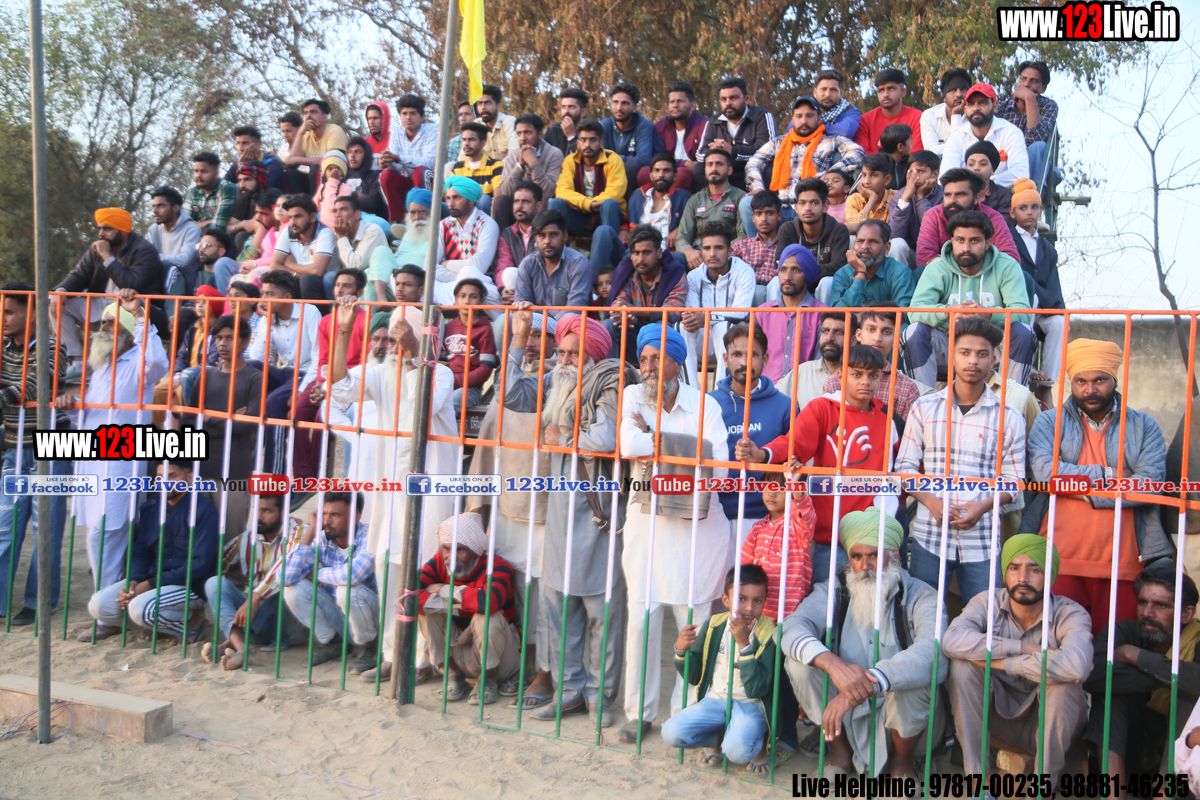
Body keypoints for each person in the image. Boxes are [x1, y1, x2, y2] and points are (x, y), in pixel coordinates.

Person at [502, 311, 629, 725]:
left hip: (597, 511)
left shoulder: (609, 381)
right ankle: (569, 692)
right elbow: (510, 394)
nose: (565, 360)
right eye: (561, 352)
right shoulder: (556, 383)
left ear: (592, 356)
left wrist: (564, 438)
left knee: (601, 612)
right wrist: (520, 336)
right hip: (560, 510)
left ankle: (599, 698)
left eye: (574, 353)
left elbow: (604, 438)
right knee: (559, 607)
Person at [330, 304, 457, 682]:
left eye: (400, 336)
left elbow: (423, 408)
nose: (391, 345)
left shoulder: (441, 373)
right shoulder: (382, 372)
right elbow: (340, 388)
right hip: (392, 493)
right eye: (389, 338)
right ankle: (391, 654)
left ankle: (421, 660)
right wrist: (343, 333)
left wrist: (416, 352)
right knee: (389, 569)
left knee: (424, 573)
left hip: (430, 492)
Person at [618, 323, 732, 744]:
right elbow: (628, 445)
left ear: (677, 363)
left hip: (696, 532)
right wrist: (685, 449)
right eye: (644, 359)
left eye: (657, 359)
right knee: (641, 622)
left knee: (693, 625)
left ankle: (683, 714)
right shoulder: (633, 395)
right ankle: (639, 713)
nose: (648, 367)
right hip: (646, 528)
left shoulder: (705, 404)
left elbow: (719, 468)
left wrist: (655, 440)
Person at [1021, 338, 1172, 634]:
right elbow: (1045, 475)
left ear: (1114, 379)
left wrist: (1083, 492)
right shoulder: (1049, 422)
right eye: (1081, 381)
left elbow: (1150, 485)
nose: (1090, 389)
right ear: (1072, 382)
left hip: (1123, 562)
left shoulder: (1144, 426)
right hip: (1056, 558)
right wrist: (1109, 474)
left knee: (1112, 650)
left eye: (1100, 380)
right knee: (1054, 644)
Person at [783, 510, 945, 780]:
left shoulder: (921, 595)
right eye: (856, 556)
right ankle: (840, 753)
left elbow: (933, 653)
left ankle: (902, 763)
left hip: (902, 716)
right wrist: (832, 664)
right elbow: (791, 627)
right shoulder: (834, 589)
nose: (865, 565)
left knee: (915, 680)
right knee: (799, 664)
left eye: (874, 555)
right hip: (847, 715)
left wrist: (869, 682)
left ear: (894, 554)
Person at [737, 345, 899, 584]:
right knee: (826, 597)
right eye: (857, 374)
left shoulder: (888, 423)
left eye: (873, 375)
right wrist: (761, 454)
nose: (865, 381)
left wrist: (886, 527)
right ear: (841, 376)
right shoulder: (822, 408)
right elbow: (795, 443)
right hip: (829, 536)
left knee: (869, 601)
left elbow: (892, 479)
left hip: (869, 535)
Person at [943, 535, 1092, 786]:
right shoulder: (986, 602)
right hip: (998, 722)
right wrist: (1022, 647)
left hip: (1051, 725)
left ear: (1050, 575)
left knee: (1063, 684)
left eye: (1034, 569)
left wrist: (1007, 664)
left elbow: (1077, 666)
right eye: (1014, 568)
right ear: (1005, 572)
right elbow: (952, 640)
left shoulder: (1071, 613)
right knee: (962, 668)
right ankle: (979, 780)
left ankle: (1043, 786)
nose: (1022, 578)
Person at [55, 293, 168, 621]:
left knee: (107, 532)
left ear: (129, 332)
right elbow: (97, 416)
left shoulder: (139, 364)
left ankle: (106, 613)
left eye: (110, 322)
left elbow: (158, 362)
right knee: (100, 534)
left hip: (119, 464)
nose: (102, 327)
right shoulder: (103, 364)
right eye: (103, 322)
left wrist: (140, 315)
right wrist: (73, 408)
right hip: (93, 462)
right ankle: (106, 607)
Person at [897, 317, 1026, 603]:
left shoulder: (1009, 416)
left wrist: (982, 506)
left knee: (984, 619)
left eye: (982, 354)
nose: (973, 361)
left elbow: (1015, 480)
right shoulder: (924, 407)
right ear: (952, 356)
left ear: (994, 359)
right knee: (924, 616)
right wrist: (932, 502)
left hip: (982, 541)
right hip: (929, 537)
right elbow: (904, 468)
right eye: (965, 352)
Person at [463, 311, 557, 699]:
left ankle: (544, 670)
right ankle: (511, 664)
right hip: (506, 509)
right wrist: (478, 506)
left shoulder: (560, 384)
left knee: (545, 597)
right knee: (511, 591)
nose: (530, 342)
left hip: (548, 511)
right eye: (524, 336)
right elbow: (488, 452)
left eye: (537, 335)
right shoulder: (508, 388)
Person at [84, 460, 220, 644]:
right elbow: (141, 551)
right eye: (160, 477)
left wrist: (148, 585)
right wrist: (134, 581)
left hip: (188, 585)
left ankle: (192, 620)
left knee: (140, 609)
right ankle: (161, 625)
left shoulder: (204, 510)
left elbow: (199, 565)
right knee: (99, 606)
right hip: (150, 580)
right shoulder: (152, 507)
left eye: (172, 476)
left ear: (189, 478)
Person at [662, 565, 781, 772]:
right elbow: (694, 676)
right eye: (741, 599)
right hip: (715, 700)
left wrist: (744, 646)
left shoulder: (769, 634)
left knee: (737, 752)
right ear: (725, 600)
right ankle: (716, 738)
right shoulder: (714, 626)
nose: (749, 608)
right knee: (671, 733)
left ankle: (760, 748)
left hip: (750, 705)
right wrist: (681, 651)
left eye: (757, 601)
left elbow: (757, 689)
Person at [1085, 566, 1199, 781]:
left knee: (1187, 697)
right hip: (1130, 752)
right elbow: (1091, 673)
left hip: (1183, 767)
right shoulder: (1123, 632)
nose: (1147, 613)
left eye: (1161, 605)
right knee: (1111, 690)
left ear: (1186, 613)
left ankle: (1165, 793)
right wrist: (1167, 679)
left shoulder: (1197, 641)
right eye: (1143, 602)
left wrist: (1134, 655)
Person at [0, 284, 69, 626]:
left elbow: (35, 383)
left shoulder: (53, 346)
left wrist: (4, 395)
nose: (3, 318)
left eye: (9, 311)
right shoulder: (3, 348)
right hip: (14, 446)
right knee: (4, 528)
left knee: (46, 530)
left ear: (31, 313)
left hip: (52, 447)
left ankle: (38, 601)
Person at [904, 210, 1034, 386]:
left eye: (974, 241)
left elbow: (1023, 312)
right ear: (952, 241)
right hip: (948, 347)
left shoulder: (1007, 266)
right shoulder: (937, 267)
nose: (966, 248)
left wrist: (989, 315)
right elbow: (915, 310)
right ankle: (923, 398)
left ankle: (1011, 399)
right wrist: (948, 312)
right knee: (914, 331)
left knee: (1023, 331)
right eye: (960, 240)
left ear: (987, 243)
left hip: (992, 348)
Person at [418, 511, 522, 704]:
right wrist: (461, 601)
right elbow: (409, 595)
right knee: (426, 611)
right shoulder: (439, 562)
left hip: (500, 660)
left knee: (486, 615)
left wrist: (445, 591)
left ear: (476, 551)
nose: (451, 558)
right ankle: (452, 674)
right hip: (459, 653)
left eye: (461, 550)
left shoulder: (497, 566)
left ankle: (489, 678)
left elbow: (488, 603)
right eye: (447, 549)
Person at [203, 493, 307, 670]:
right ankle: (242, 647)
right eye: (256, 510)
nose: (258, 517)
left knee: (286, 586)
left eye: (266, 511)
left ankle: (231, 642)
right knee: (214, 583)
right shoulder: (247, 539)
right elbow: (217, 564)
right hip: (256, 624)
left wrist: (256, 596)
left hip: (289, 625)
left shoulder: (300, 531)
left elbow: (288, 566)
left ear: (283, 513)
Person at [710, 323, 793, 541]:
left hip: (769, 517)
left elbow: (796, 459)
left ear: (765, 359)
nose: (744, 362)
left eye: (753, 355)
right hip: (715, 514)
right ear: (725, 359)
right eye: (737, 354)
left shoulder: (785, 406)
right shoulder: (708, 404)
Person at [743, 95, 864, 238]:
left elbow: (857, 152)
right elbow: (753, 162)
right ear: (793, 119)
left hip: (810, 208)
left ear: (819, 119)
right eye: (799, 116)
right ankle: (757, 245)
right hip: (779, 207)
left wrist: (830, 175)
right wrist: (758, 188)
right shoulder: (778, 142)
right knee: (747, 203)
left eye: (810, 116)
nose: (804, 121)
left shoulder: (831, 140)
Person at [283, 491, 378, 669]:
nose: (326, 521)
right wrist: (310, 532)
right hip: (342, 615)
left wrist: (317, 574)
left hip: (372, 618)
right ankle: (334, 643)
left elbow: (352, 575)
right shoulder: (322, 538)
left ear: (355, 516)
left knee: (346, 590)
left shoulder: (370, 536)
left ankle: (371, 647)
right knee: (294, 589)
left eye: (335, 515)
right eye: (324, 514)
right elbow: (286, 578)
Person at [52, 208, 164, 358]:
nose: (101, 234)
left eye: (107, 229)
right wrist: (62, 289)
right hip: (100, 304)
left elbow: (133, 285)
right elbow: (79, 274)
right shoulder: (97, 248)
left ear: (123, 231)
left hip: (130, 307)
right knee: (55, 302)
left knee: (122, 308)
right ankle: (76, 359)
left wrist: (107, 256)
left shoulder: (144, 250)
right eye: (100, 228)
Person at [290, 268, 368, 480]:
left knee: (321, 420)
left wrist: (329, 387)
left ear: (359, 292)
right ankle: (303, 477)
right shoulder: (326, 320)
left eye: (347, 286)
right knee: (295, 414)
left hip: (351, 382)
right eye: (337, 285)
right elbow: (323, 358)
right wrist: (321, 384)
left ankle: (317, 476)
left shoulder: (366, 319)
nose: (340, 290)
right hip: (326, 379)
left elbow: (363, 364)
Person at [246, 270, 321, 473]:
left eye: (270, 294)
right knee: (249, 367)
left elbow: (319, 358)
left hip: (306, 374)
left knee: (275, 401)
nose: (264, 299)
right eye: (263, 293)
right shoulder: (268, 317)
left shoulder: (309, 312)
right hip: (285, 373)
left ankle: (275, 472)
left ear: (287, 297)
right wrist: (268, 323)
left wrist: (301, 390)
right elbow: (257, 357)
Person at [679, 221, 754, 385]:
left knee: (723, 326)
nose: (712, 253)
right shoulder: (693, 276)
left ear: (730, 251)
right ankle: (691, 391)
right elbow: (693, 315)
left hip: (732, 343)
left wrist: (706, 317)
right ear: (701, 252)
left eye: (718, 248)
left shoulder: (744, 272)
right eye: (707, 248)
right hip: (703, 342)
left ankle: (721, 390)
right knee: (683, 327)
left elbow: (741, 312)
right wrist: (692, 318)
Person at [548, 119, 626, 276]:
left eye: (592, 140)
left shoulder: (613, 159)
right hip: (580, 216)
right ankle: (555, 260)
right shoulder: (570, 161)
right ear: (577, 143)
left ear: (601, 142)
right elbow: (562, 190)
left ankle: (599, 272)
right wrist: (588, 204)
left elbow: (616, 192)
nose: (587, 144)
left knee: (610, 204)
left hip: (604, 217)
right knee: (555, 203)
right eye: (583, 140)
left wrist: (586, 203)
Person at [823, 307, 924, 422]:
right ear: (858, 334)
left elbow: (906, 432)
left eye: (886, 332)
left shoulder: (906, 388)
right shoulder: (834, 382)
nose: (877, 338)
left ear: (896, 338)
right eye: (871, 329)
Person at [1009, 178, 1065, 386]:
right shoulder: (1008, 240)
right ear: (1013, 212)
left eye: (1034, 207)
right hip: (1017, 306)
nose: (1029, 212)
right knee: (1029, 298)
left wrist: (1050, 306)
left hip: (1042, 308)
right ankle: (1026, 368)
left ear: (1041, 211)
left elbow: (1054, 285)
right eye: (1023, 208)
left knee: (1059, 322)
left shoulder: (1048, 249)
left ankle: (1046, 382)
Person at [606, 224, 689, 361]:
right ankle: (612, 372)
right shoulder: (626, 271)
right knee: (610, 324)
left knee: (660, 326)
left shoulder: (675, 273)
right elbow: (618, 302)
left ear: (659, 253)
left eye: (646, 252)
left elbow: (672, 311)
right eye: (636, 253)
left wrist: (636, 311)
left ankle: (657, 371)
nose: (640, 259)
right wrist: (623, 313)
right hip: (633, 334)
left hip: (663, 339)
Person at [915, 168, 1019, 268]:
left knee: (1024, 276)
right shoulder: (933, 215)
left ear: (977, 198)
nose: (952, 200)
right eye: (947, 195)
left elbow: (1010, 258)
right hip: (944, 277)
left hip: (986, 276)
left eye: (960, 195)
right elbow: (924, 257)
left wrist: (968, 267)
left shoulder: (992, 217)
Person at [740, 483, 816, 620]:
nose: (772, 493)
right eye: (768, 486)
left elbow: (805, 512)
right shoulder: (757, 528)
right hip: (759, 611)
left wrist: (795, 485)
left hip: (789, 612)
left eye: (781, 489)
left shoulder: (797, 527)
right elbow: (745, 567)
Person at [694, 76, 777, 192]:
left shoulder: (762, 116)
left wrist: (732, 151)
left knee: (768, 169)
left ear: (746, 99)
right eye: (724, 99)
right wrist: (716, 152)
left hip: (751, 169)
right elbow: (700, 155)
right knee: (699, 169)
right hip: (725, 170)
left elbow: (769, 152)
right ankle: (708, 202)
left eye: (733, 98)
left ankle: (763, 201)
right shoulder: (714, 121)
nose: (728, 103)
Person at [757, 244, 824, 384]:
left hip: (803, 390)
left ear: (807, 274)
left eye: (796, 270)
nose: (787, 277)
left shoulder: (821, 313)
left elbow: (820, 364)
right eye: (783, 270)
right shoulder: (762, 312)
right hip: (766, 390)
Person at [941, 83, 1029, 188]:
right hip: (965, 196)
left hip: (1002, 196)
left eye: (983, 103)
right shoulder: (956, 137)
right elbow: (945, 176)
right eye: (971, 104)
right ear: (965, 109)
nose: (976, 108)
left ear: (995, 106)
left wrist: (985, 184)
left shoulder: (1011, 132)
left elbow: (1020, 173)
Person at [434, 176, 502, 307]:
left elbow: (478, 266)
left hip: (483, 286)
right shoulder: (443, 225)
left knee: (469, 272)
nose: (450, 203)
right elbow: (429, 266)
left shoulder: (487, 224)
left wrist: (446, 263)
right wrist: (459, 279)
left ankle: (453, 301)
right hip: (452, 286)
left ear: (471, 200)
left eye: (456, 198)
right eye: (448, 198)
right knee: (419, 279)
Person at [676, 149, 747, 270]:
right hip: (698, 253)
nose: (714, 168)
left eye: (719, 164)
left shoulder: (741, 198)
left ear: (729, 170)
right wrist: (688, 251)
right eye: (710, 164)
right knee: (665, 260)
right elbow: (682, 237)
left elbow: (743, 236)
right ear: (705, 170)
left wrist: (719, 250)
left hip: (728, 254)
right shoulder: (695, 200)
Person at [513, 209, 594, 314]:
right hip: (534, 322)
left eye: (553, 235)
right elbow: (521, 304)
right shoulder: (527, 264)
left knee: (570, 316)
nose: (547, 241)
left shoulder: (578, 263)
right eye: (542, 236)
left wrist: (545, 321)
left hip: (568, 323)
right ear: (535, 238)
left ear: (565, 236)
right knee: (503, 320)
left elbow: (575, 308)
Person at [493, 113, 564, 230]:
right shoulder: (513, 156)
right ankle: (502, 240)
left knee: (545, 200)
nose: (522, 138)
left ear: (540, 134)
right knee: (500, 201)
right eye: (519, 133)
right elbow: (505, 191)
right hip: (519, 205)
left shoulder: (554, 154)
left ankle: (537, 239)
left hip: (541, 207)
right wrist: (520, 166)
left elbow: (550, 191)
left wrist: (533, 164)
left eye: (527, 132)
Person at [776, 177, 852, 286]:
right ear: (796, 208)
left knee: (827, 282)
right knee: (775, 283)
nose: (807, 208)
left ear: (825, 206)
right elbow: (779, 264)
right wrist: (809, 269)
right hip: (794, 284)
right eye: (802, 203)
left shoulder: (839, 230)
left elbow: (838, 267)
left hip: (824, 286)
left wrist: (798, 268)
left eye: (814, 203)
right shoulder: (788, 230)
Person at [376, 94, 439, 223]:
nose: (408, 117)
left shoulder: (432, 130)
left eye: (413, 113)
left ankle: (426, 219)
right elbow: (396, 165)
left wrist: (398, 158)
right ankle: (398, 222)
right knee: (386, 175)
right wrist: (387, 162)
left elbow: (430, 162)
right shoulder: (396, 132)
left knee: (420, 172)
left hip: (429, 182)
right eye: (404, 113)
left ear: (422, 117)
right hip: (407, 182)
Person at [996, 61, 1059, 187]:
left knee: (1039, 146)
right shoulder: (1002, 107)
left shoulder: (1048, 106)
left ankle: (1032, 192)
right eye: (1023, 79)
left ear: (1043, 88)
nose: (1026, 84)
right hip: (1007, 163)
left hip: (1035, 165)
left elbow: (1036, 139)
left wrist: (1030, 99)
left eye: (1033, 81)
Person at [829, 220, 915, 309]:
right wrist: (860, 274)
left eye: (873, 241)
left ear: (887, 247)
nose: (865, 246)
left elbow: (903, 313)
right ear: (854, 245)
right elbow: (837, 313)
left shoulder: (900, 273)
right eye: (860, 241)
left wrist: (866, 316)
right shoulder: (843, 274)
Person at [640, 80, 707, 192]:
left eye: (680, 101)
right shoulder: (660, 127)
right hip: (667, 169)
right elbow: (657, 156)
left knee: (681, 175)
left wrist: (691, 166)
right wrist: (684, 163)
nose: (675, 105)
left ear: (692, 105)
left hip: (695, 173)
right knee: (643, 173)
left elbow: (707, 158)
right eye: (672, 102)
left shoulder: (704, 125)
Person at [270, 193, 339, 301]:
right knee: (277, 278)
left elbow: (317, 271)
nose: (293, 222)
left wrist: (291, 264)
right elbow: (274, 265)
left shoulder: (325, 233)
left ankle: (317, 312)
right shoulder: (287, 232)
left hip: (325, 285)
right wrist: (295, 274)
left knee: (307, 280)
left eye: (298, 216)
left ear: (312, 217)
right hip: (301, 280)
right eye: (290, 217)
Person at [444, 274, 498, 412]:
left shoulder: (485, 330)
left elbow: (485, 369)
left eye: (473, 297)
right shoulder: (448, 327)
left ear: (481, 301)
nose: (467, 301)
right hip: (443, 383)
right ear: (456, 299)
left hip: (470, 388)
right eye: (462, 296)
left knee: (450, 404)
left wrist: (456, 381)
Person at [775, 311, 844, 409]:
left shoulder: (862, 375)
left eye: (839, 332)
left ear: (854, 340)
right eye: (825, 331)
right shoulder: (803, 371)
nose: (829, 338)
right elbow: (774, 402)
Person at [600, 82, 658, 194]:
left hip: (631, 176)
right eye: (615, 102)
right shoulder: (606, 124)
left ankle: (627, 203)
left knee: (632, 166)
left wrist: (614, 159)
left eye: (625, 103)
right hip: (609, 172)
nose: (619, 107)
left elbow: (643, 159)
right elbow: (600, 155)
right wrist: (627, 158)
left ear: (635, 108)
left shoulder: (643, 125)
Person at [886, 150, 942, 266]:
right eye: (911, 172)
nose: (915, 176)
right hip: (910, 254)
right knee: (896, 244)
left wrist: (921, 198)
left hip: (938, 255)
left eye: (921, 171)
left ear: (935, 174)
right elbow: (895, 234)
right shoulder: (899, 196)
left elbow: (934, 232)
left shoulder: (945, 196)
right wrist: (905, 198)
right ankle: (898, 277)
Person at [626, 154, 691, 249]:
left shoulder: (684, 197)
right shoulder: (637, 195)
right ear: (651, 175)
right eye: (656, 170)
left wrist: (680, 230)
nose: (661, 175)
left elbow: (695, 223)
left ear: (675, 176)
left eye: (666, 170)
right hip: (636, 251)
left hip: (668, 252)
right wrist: (623, 230)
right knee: (606, 231)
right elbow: (626, 221)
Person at [147, 186, 202, 297]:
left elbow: (184, 260)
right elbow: (143, 256)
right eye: (154, 206)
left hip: (183, 283)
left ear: (175, 208)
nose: (155, 211)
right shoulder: (154, 229)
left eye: (161, 206)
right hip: (157, 280)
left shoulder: (192, 230)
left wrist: (155, 258)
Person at [854, 69, 925, 155]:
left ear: (903, 92)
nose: (885, 95)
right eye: (881, 90)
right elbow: (861, 154)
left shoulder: (917, 117)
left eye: (891, 89)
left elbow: (915, 156)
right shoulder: (865, 120)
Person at [283, 99, 349, 189]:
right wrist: (300, 133)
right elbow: (291, 162)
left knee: (316, 168)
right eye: (305, 113)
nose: (308, 116)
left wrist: (297, 160)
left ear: (325, 117)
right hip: (313, 180)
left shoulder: (334, 130)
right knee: (291, 172)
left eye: (313, 112)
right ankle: (296, 198)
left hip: (334, 179)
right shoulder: (305, 134)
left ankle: (317, 198)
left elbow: (331, 161)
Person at [732, 190, 782, 292]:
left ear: (779, 216)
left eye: (769, 213)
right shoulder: (741, 246)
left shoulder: (786, 247)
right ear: (753, 218)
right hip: (748, 292)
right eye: (759, 214)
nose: (764, 219)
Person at [449, 122, 504, 215]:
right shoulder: (457, 168)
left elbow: (498, 199)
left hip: (485, 216)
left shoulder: (495, 165)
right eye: (464, 139)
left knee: (484, 199)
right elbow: (452, 196)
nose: (466, 144)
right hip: (461, 212)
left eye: (471, 139)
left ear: (483, 143)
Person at [495, 181, 543, 286]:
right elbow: (503, 266)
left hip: (541, 287)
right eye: (516, 201)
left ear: (538, 206)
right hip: (514, 286)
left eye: (525, 201)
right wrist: (502, 288)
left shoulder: (547, 232)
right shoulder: (508, 234)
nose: (519, 206)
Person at [332, 194, 386, 284]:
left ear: (357, 214)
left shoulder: (373, 231)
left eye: (343, 209)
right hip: (348, 283)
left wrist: (341, 236)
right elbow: (332, 269)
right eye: (335, 211)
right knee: (329, 277)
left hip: (371, 283)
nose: (337, 215)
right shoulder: (337, 234)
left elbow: (355, 267)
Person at [920, 68, 972, 156]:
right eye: (953, 90)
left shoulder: (975, 116)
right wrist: (959, 147)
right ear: (944, 96)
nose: (959, 94)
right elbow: (931, 151)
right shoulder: (930, 116)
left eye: (963, 89)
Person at [843, 153, 896, 235]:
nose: (866, 181)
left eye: (874, 175)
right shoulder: (854, 198)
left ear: (887, 180)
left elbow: (896, 230)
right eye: (864, 175)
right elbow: (850, 228)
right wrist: (871, 200)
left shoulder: (895, 197)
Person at [184, 152, 238, 231]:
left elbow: (218, 226)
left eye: (204, 171)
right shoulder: (192, 190)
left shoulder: (227, 189)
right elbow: (183, 225)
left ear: (216, 173)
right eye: (196, 171)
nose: (198, 175)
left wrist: (194, 225)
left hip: (224, 237)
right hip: (197, 236)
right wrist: (211, 221)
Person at [224, 125, 286, 191]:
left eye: (245, 143)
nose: (240, 148)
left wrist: (242, 167)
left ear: (257, 145)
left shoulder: (272, 162)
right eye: (238, 143)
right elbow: (223, 187)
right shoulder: (238, 160)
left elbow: (260, 189)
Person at [962, 140, 1013, 214]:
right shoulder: (957, 192)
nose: (976, 168)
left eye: (983, 164)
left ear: (992, 170)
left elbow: (1004, 220)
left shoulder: (1003, 194)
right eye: (971, 164)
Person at [345, 137, 388, 220]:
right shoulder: (341, 176)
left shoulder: (375, 177)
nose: (352, 155)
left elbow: (372, 202)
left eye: (358, 152)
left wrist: (346, 199)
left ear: (366, 155)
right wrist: (357, 195)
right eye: (349, 152)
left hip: (369, 220)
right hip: (343, 218)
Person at [813, 68, 861, 139]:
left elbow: (846, 131)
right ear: (815, 92)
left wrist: (817, 129)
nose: (827, 94)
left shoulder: (850, 111)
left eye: (833, 90)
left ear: (840, 94)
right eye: (824, 89)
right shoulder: (806, 109)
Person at [476, 84, 519, 163]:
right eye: (480, 103)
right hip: (482, 169)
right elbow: (464, 157)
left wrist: (495, 168)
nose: (483, 107)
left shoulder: (509, 122)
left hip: (507, 169)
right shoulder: (476, 125)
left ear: (499, 107)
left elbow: (514, 155)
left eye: (488, 103)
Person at [227, 161, 269, 240]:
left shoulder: (271, 197)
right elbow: (229, 228)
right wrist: (243, 224)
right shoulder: (243, 198)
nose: (242, 185)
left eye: (247, 180)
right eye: (240, 180)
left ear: (260, 181)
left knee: (241, 236)